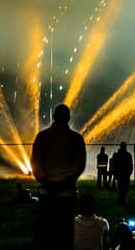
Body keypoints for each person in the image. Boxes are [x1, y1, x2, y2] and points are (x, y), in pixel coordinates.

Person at [31, 103, 88, 250]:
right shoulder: (76, 139)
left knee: (46, 234)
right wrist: (66, 180)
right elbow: (79, 164)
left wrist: (45, 180)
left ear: (53, 117)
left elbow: (36, 163)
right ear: (68, 118)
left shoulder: (42, 137)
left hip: (46, 192)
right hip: (67, 194)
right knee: (66, 235)